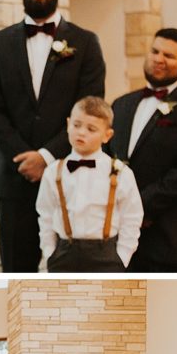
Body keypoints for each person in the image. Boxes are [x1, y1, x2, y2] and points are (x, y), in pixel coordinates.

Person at [0, 0, 106, 271]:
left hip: (68, 176)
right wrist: (26, 158)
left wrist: (47, 157)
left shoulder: (86, 43)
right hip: (13, 176)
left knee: (70, 269)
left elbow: (90, 111)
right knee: (15, 272)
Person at [109, 28, 177, 272]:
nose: (158, 59)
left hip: (175, 242)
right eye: (155, 51)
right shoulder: (121, 105)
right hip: (124, 244)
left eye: (169, 55)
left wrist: (138, 204)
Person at [36, 97, 143, 271]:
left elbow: (131, 217)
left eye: (91, 129)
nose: (81, 133)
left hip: (106, 256)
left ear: (107, 135)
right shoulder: (53, 171)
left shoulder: (121, 172)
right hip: (64, 254)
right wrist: (49, 252)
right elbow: (45, 213)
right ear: (68, 124)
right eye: (76, 125)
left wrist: (122, 257)